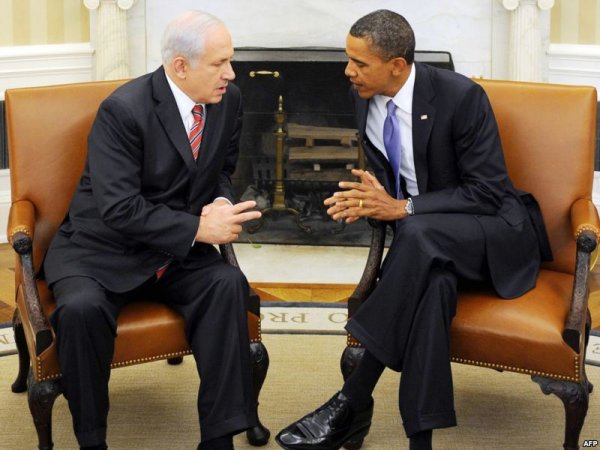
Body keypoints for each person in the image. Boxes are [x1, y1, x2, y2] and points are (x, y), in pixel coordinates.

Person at [275, 9, 551, 450]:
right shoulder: (362, 94)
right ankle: (419, 440)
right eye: (348, 59)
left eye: (359, 63)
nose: (348, 71)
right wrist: (371, 201)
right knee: (433, 287)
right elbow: (392, 179)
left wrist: (404, 208)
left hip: (491, 233)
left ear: (397, 65)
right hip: (427, 246)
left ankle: (349, 401)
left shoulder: (462, 98)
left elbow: (488, 192)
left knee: (419, 235)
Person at [43, 10, 262, 450]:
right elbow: (119, 208)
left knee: (227, 285)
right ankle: (92, 439)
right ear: (180, 66)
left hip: (174, 253)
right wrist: (199, 228)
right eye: (219, 63)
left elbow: (222, 170)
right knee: (81, 310)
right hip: (102, 249)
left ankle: (219, 438)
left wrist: (221, 204)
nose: (231, 73)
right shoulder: (124, 110)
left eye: (230, 60)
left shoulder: (229, 100)